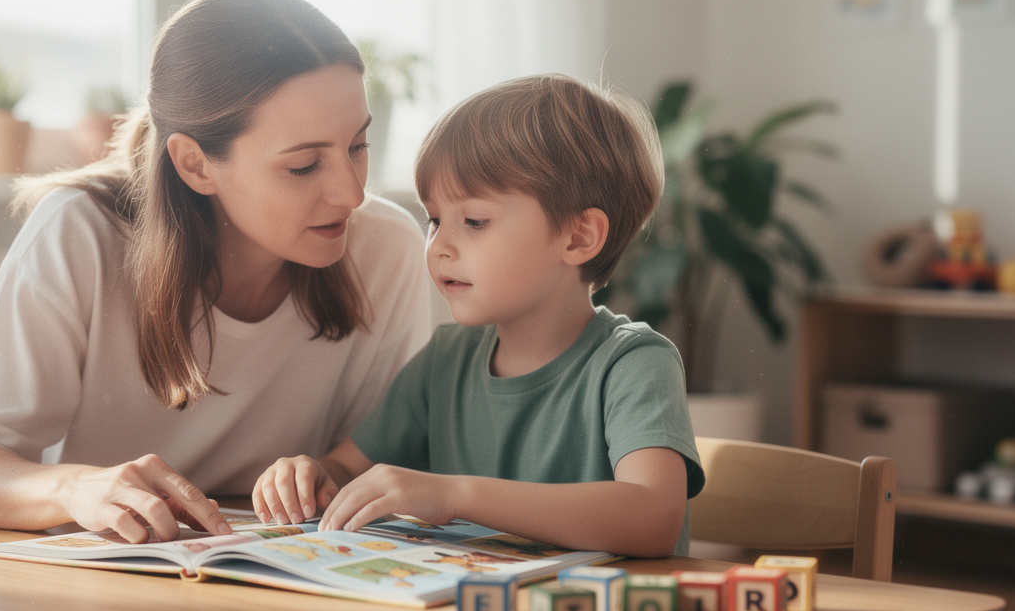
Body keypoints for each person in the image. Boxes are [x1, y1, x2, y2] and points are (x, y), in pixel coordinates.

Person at [0, 0, 433, 611]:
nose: (349, 192)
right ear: (195, 164)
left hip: (255, 586)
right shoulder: (83, 235)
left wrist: (324, 472)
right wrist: (78, 486)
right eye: (304, 165)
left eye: (359, 145)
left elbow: (389, 448)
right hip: (65, 586)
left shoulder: (387, 250)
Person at [253, 74, 705, 558]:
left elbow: (652, 516)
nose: (440, 246)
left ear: (578, 238)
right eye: (434, 219)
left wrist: (456, 495)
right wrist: (309, 475)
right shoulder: (446, 361)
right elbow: (347, 468)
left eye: (474, 221)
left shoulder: (635, 364)